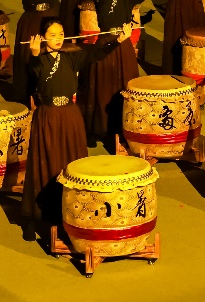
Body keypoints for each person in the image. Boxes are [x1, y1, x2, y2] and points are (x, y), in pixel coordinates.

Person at [20, 18, 128, 241]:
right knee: (45, 160)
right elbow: (32, 78)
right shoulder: (37, 59)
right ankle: (35, 216)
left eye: (61, 34)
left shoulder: (70, 57)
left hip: (70, 115)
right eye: (52, 35)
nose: (58, 38)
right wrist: (34, 55)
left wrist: (118, 40)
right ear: (42, 38)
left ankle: (73, 210)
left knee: (71, 160)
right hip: (48, 115)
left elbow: (96, 54)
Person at [82, 0, 165, 145]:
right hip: (106, 44)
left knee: (126, 83)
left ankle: (127, 126)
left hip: (124, 45)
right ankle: (103, 129)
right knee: (105, 86)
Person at [7, 0, 77, 106]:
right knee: (30, 53)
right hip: (31, 20)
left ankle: (52, 85)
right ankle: (28, 92)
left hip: (49, 17)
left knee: (51, 50)